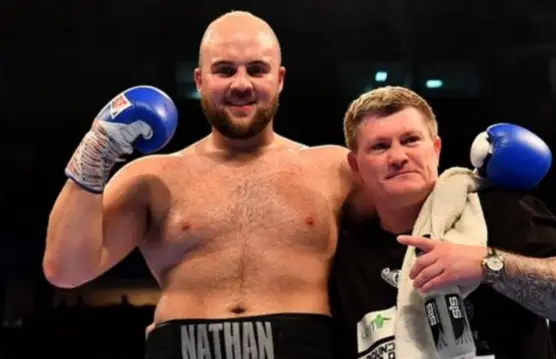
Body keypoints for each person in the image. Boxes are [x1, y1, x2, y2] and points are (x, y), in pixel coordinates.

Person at [44, 10, 371, 359]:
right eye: (225, 70)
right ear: (199, 80)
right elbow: (66, 270)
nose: (241, 84)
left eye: (257, 69)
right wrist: (95, 152)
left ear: (280, 79)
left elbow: (408, 226)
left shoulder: (335, 168)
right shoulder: (153, 178)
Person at [329, 86, 556, 359]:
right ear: (356, 165)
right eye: (379, 147)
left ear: (436, 148)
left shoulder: (498, 210)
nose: (398, 157)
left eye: (411, 140)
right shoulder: (348, 260)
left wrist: (488, 265)